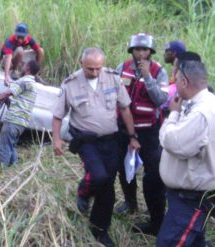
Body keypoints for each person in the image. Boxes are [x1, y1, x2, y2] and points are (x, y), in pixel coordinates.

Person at [52, 48, 140, 247]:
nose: (94, 72)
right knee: (99, 176)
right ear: (81, 63)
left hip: (110, 140)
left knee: (107, 189)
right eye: (90, 68)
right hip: (85, 140)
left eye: (98, 68)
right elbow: (58, 115)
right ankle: (84, 189)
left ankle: (99, 229)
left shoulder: (113, 79)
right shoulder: (70, 84)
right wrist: (56, 139)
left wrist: (132, 135)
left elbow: (125, 108)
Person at [156, 59, 215, 246]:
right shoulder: (202, 104)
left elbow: (174, 143)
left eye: (176, 78)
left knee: (168, 243)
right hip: (189, 196)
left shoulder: (201, 113)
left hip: (190, 199)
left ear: (184, 82)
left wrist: (172, 114)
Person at [115, 33, 168, 236]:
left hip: (148, 132)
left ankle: (155, 215)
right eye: (137, 49)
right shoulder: (123, 68)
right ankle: (130, 203)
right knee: (123, 167)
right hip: (123, 129)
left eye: (145, 50)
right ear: (131, 51)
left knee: (153, 174)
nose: (140, 54)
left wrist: (147, 77)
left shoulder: (159, 72)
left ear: (150, 52)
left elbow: (160, 100)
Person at [0, 60, 39, 167]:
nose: (22, 67)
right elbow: (18, 101)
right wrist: (3, 101)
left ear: (27, 69)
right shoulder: (33, 85)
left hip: (13, 120)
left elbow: (7, 93)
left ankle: (2, 170)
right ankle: (14, 168)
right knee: (10, 145)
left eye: (24, 65)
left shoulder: (24, 81)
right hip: (21, 123)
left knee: (4, 146)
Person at [161, 41, 186, 117]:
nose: (164, 54)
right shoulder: (176, 67)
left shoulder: (182, 68)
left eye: (166, 51)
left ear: (174, 53)